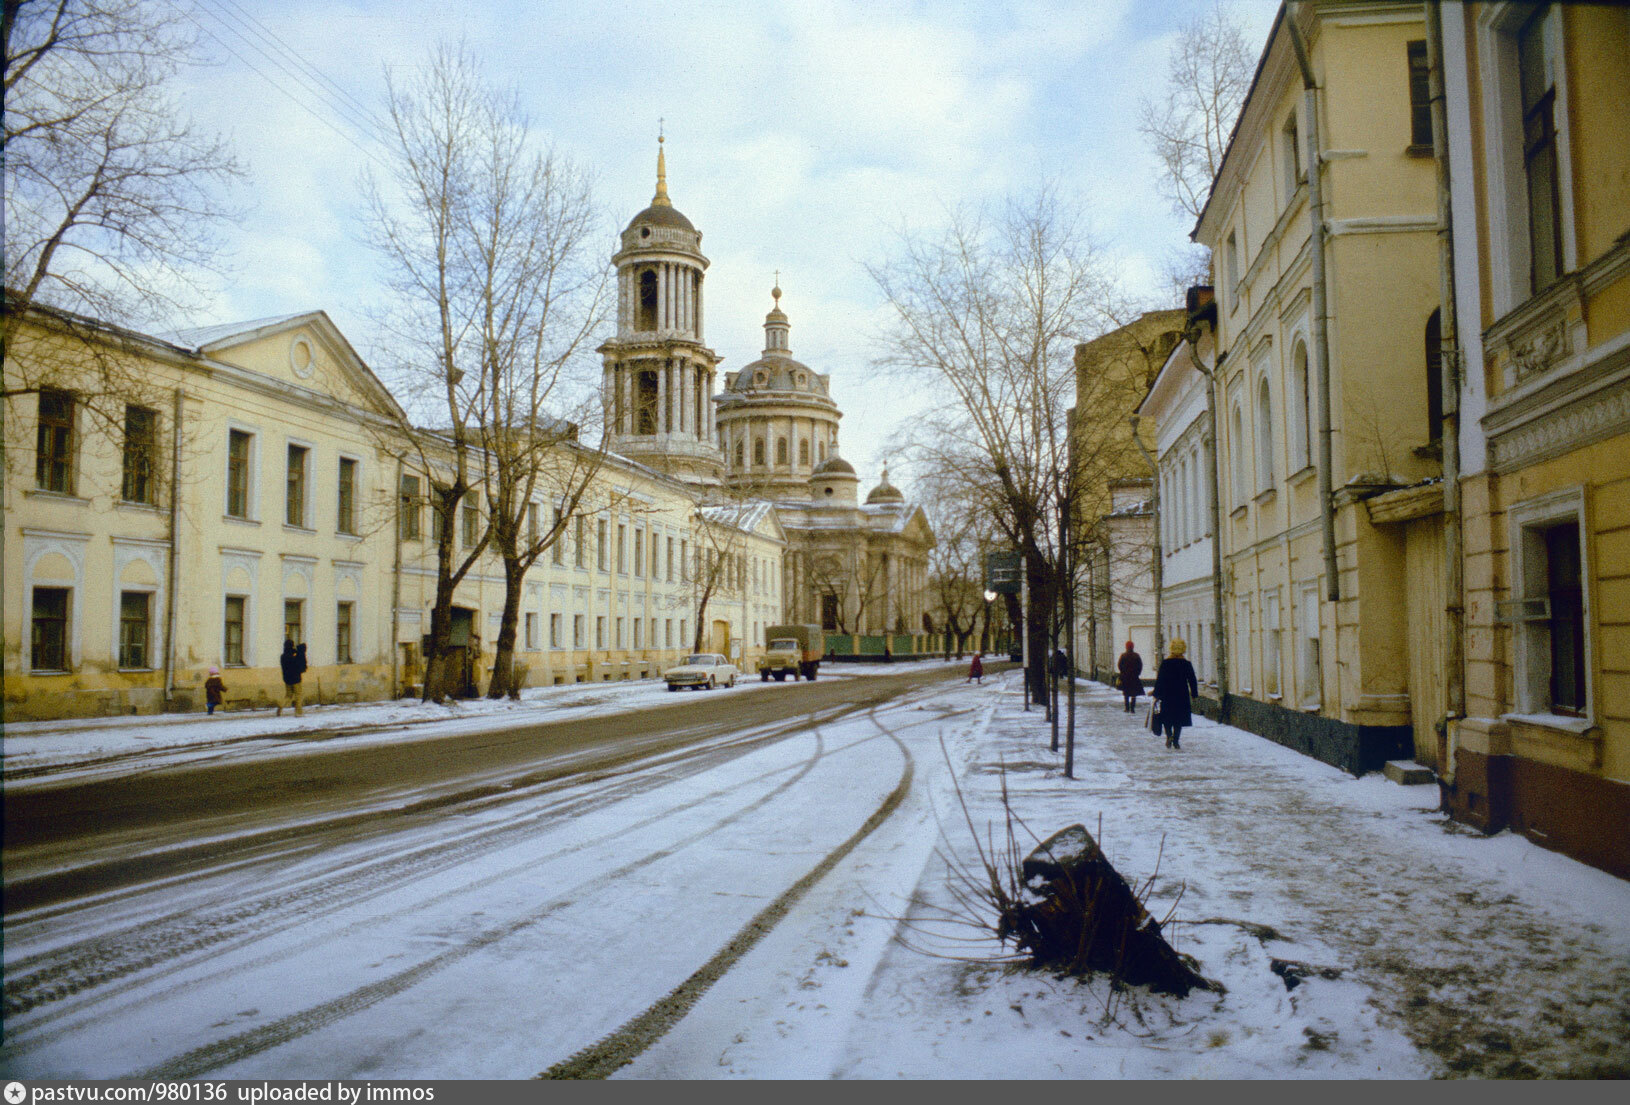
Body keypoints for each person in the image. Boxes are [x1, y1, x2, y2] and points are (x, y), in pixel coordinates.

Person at [1150, 638, 1198, 749]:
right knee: (1178, 718)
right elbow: (1192, 680)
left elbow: (1160, 679)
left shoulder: (1165, 663)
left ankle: (1169, 737)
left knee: (1167, 717)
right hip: (1181, 694)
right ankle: (1176, 740)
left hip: (1167, 694)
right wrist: (1194, 694)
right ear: (1183, 649)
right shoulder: (1186, 664)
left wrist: (1156, 693)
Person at [278, 639, 306, 716]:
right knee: (298, 696)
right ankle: (298, 712)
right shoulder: (294, 656)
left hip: (287, 679)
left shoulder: (283, 656)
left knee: (288, 696)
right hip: (296, 679)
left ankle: (281, 705)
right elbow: (298, 665)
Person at [1117, 641, 1143, 713]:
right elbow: (1140, 666)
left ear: (1126, 647)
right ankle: (1132, 708)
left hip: (1125, 677)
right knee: (1133, 693)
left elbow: (1119, 665)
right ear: (1133, 647)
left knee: (1126, 693)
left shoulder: (1123, 656)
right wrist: (1137, 673)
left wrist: (1123, 672)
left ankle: (1127, 708)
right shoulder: (1136, 656)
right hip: (1134, 677)